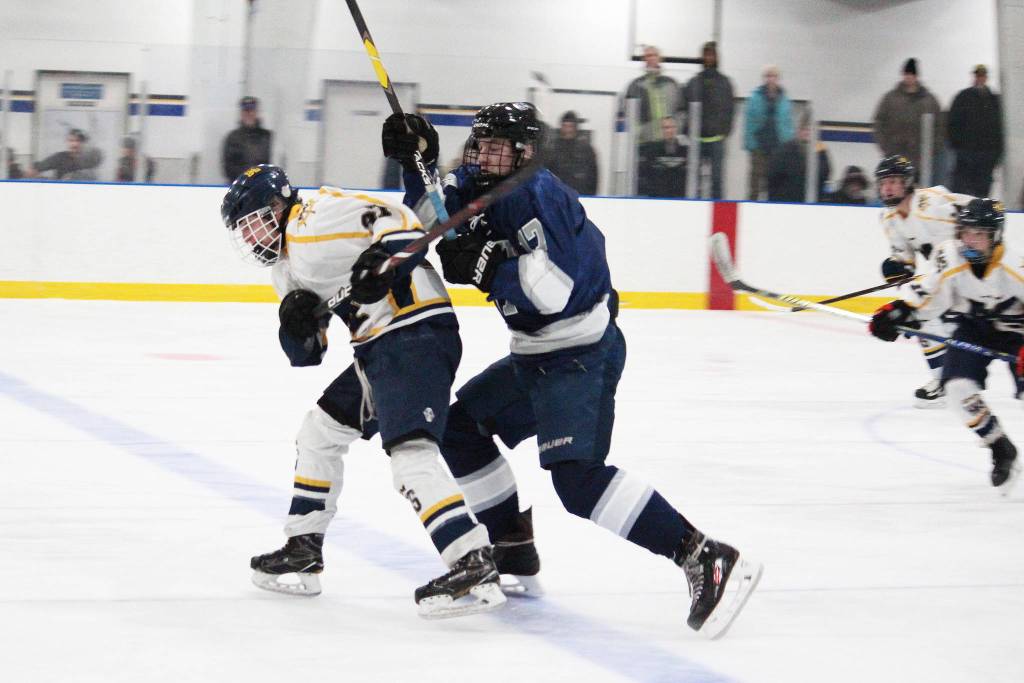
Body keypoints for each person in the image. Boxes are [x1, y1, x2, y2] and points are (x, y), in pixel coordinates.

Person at [386, 102, 762, 638]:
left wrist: (488, 266)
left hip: (580, 353)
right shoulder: (477, 182)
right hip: (534, 353)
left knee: (578, 480)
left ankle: (704, 555)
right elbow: (433, 216)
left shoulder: (541, 197)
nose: (483, 156)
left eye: (496, 147)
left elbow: (553, 291)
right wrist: (414, 161)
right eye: (479, 144)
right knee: (461, 429)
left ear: (524, 152)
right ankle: (511, 546)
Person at [220, 162, 505, 619]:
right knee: (319, 433)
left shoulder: (314, 219)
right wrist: (297, 329)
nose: (250, 238)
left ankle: (471, 558)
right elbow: (310, 354)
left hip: (415, 334)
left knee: (410, 458)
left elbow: (401, 223)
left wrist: (384, 259)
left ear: (277, 206)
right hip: (379, 347)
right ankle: (303, 546)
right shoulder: (286, 270)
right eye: (243, 231)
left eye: (252, 223)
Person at [869, 198, 1021, 494]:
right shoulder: (949, 255)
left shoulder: (1016, 267)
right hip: (974, 327)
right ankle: (1000, 448)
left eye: (979, 234)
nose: (970, 241)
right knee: (956, 388)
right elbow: (928, 293)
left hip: (1018, 332)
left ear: (996, 236)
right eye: (966, 232)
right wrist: (899, 312)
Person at [874, 154, 973, 407]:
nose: (887, 188)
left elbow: (964, 242)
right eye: (883, 183)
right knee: (921, 315)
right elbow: (906, 258)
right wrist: (898, 267)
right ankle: (944, 381)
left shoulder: (930, 206)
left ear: (907, 182)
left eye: (893, 181)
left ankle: (948, 379)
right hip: (949, 273)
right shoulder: (889, 218)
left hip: (973, 269)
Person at [682, 41, 735, 199]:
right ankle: (695, 208)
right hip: (697, 140)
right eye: (706, 55)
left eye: (712, 55)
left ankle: (718, 210)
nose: (709, 58)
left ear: (717, 57)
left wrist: (725, 131)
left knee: (717, 181)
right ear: (702, 57)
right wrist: (688, 132)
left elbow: (730, 109)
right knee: (694, 181)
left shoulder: (725, 83)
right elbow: (685, 108)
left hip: (717, 140)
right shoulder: (693, 82)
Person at [873, 59, 941, 177]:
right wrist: (886, 148)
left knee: (917, 187)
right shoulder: (890, 98)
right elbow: (879, 123)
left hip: (919, 160)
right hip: (895, 157)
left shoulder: (929, 100)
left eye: (911, 74)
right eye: (906, 74)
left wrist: (931, 150)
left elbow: (939, 127)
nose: (909, 77)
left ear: (916, 76)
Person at [947, 65, 1004, 197]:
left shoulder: (993, 100)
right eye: (978, 76)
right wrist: (958, 147)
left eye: (982, 76)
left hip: (986, 155)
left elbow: (998, 127)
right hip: (966, 154)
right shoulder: (963, 97)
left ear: (986, 78)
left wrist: (996, 153)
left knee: (982, 192)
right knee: (962, 192)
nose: (980, 79)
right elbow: (953, 124)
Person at [743, 65, 794, 200]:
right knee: (755, 182)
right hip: (759, 145)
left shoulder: (785, 100)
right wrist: (750, 143)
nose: (771, 79)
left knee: (774, 182)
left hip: (778, 146)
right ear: (764, 78)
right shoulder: (755, 97)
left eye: (774, 76)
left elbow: (788, 123)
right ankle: (752, 205)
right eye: (768, 76)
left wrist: (789, 145)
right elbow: (749, 122)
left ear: (778, 78)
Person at [621, 45, 681, 146]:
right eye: (648, 56)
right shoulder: (635, 85)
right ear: (644, 59)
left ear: (660, 59)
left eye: (654, 55)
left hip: (668, 142)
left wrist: (675, 131)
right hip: (646, 142)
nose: (651, 58)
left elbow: (681, 111)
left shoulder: (671, 83)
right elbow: (629, 114)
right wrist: (639, 133)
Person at [766, 114, 830, 203]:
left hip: (811, 201)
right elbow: (773, 176)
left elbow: (825, 172)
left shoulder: (820, 149)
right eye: (805, 129)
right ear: (799, 131)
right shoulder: (785, 150)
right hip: (787, 201)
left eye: (811, 130)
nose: (808, 133)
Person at [545, 111, 599, 195]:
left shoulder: (586, 149)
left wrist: (590, 197)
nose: (568, 130)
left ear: (575, 128)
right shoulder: (552, 148)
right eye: (565, 126)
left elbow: (593, 176)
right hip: (557, 196)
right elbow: (545, 174)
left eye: (570, 126)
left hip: (580, 196)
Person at [222, 96, 273, 183]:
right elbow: (228, 168)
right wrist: (246, 179)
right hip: (240, 186)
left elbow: (272, 165)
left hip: (264, 185)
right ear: (241, 113)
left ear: (256, 112)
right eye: (246, 111)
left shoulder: (267, 137)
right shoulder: (232, 138)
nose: (249, 114)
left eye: (251, 111)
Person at [637, 116, 687, 198]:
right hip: (657, 197)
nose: (669, 131)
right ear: (661, 130)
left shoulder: (685, 151)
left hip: (679, 198)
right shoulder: (652, 150)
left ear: (676, 129)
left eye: (672, 127)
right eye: (666, 128)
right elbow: (646, 174)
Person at [27, 129, 102, 180]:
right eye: (71, 140)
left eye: (78, 141)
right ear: (67, 142)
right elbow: (34, 170)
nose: (74, 144)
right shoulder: (59, 157)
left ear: (84, 143)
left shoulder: (88, 159)